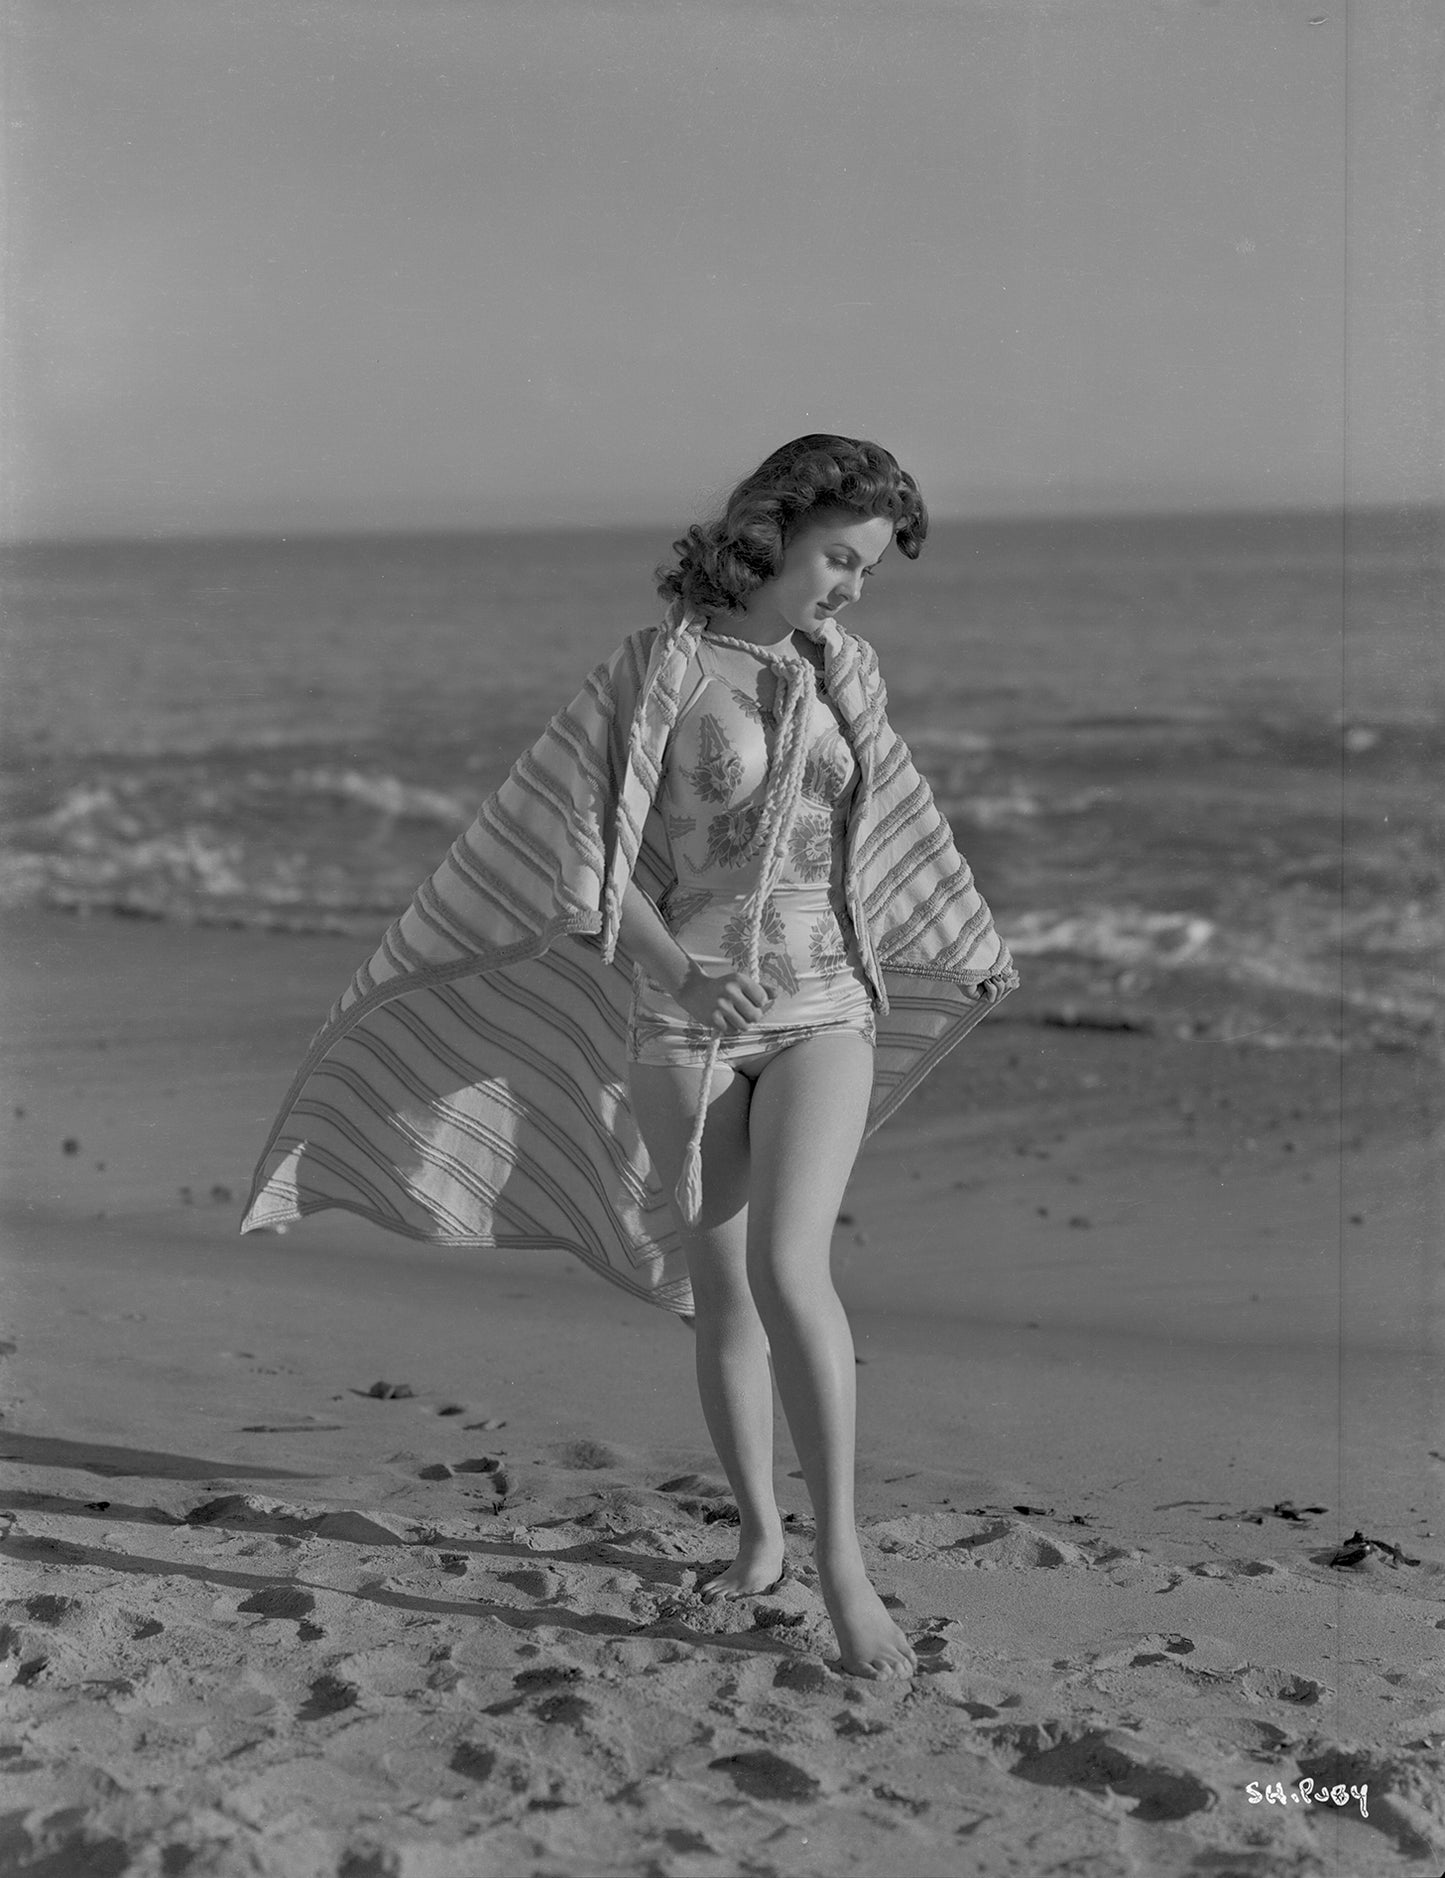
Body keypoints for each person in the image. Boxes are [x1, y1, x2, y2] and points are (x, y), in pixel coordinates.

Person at [242, 434, 1016, 1680]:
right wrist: (680, 971)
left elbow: (888, 832)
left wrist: (949, 936)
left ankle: (842, 1566)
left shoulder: (843, 669)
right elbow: (586, 871)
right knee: (720, 1297)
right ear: (772, 531)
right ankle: (761, 1532)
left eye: (867, 572)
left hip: (826, 1005)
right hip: (683, 1022)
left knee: (786, 1263)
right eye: (837, 560)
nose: (848, 591)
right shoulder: (652, 672)